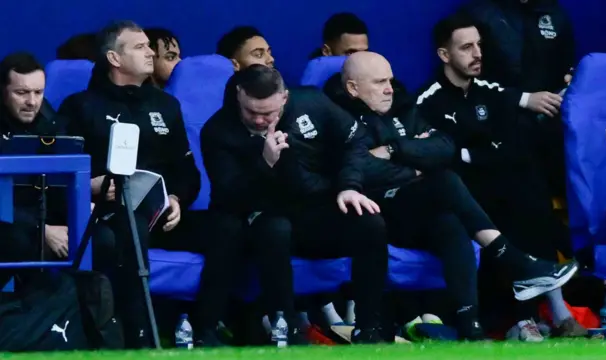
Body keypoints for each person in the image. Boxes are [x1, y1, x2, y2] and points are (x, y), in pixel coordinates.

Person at [324, 50, 579, 340]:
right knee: (443, 181)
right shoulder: (337, 117)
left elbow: (444, 146)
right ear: (353, 87)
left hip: (413, 208)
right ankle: (516, 262)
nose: (388, 89)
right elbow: (359, 168)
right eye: (379, 82)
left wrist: (395, 150)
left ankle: (471, 326)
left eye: (390, 81)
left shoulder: (401, 106)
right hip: (371, 214)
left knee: (450, 222)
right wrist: (416, 167)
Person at [415, 13, 584, 340]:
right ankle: (525, 319)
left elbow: (509, 142)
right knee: (512, 200)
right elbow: (442, 157)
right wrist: (477, 157)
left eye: (479, 45)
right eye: (466, 47)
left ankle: (554, 312)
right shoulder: (428, 100)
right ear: (444, 55)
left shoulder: (489, 90)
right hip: (461, 195)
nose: (477, 53)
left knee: (529, 189)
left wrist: (477, 155)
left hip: (502, 187)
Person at [200, 64, 389, 345]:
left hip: (312, 209)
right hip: (259, 215)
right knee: (274, 228)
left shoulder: (310, 101)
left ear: (284, 98)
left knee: (368, 221)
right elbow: (230, 197)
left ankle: (370, 328)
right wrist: (264, 163)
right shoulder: (217, 131)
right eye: (252, 112)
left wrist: (350, 186)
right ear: (239, 96)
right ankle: (287, 327)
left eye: (269, 113)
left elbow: (356, 139)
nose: (261, 120)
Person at [56, 20, 208, 348]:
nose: (150, 51)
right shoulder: (80, 106)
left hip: (163, 212)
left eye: (148, 46)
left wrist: (179, 199)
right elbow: (59, 172)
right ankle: (139, 336)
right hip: (109, 211)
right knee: (129, 229)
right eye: (139, 47)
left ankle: (208, 328)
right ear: (114, 58)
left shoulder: (167, 106)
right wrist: (91, 185)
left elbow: (187, 171)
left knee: (227, 229)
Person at [461, 0, 576, 198]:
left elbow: (568, 65)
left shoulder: (555, 14)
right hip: (502, 114)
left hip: (551, 112)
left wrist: (569, 79)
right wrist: (523, 99)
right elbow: (467, 79)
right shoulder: (479, 14)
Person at [0, 52, 69, 286]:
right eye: (21, 93)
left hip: (48, 218)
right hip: (11, 223)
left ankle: (84, 317)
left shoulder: (52, 124)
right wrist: (41, 229)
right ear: (3, 92)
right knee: (20, 242)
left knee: (103, 239)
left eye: (38, 93)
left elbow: (61, 183)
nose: (32, 102)